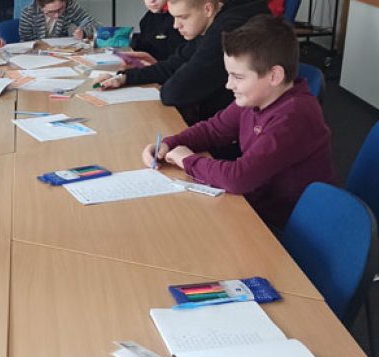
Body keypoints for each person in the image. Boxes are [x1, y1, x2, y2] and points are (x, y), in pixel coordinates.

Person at [142, 15, 333, 229]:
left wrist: (188, 160)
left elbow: (238, 178)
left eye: (238, 77)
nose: (228, 85)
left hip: (286, 227)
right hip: (255, 205)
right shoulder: (256, 98)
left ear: (274, 76)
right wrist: (169, 144)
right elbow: (212, 131)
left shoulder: (294, 116)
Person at [94, 0, 269, 126]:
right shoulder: (211, 24)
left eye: (182, 17)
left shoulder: (227, 28)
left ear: (207, 9)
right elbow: (173, 64)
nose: (176, 25)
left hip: (241, 133)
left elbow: (175, 92)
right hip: (220, 124)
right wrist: (124, 78)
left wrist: (176, 75)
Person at [19, 0, 99, 42]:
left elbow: (95, 24)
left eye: (60, 9)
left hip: (63, 53)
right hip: (38, 57)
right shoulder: (29, 13)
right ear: (41, 7)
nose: (57, 15)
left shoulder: (70, 6)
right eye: (51, 12)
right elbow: (25, 42)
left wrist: (84, 32)